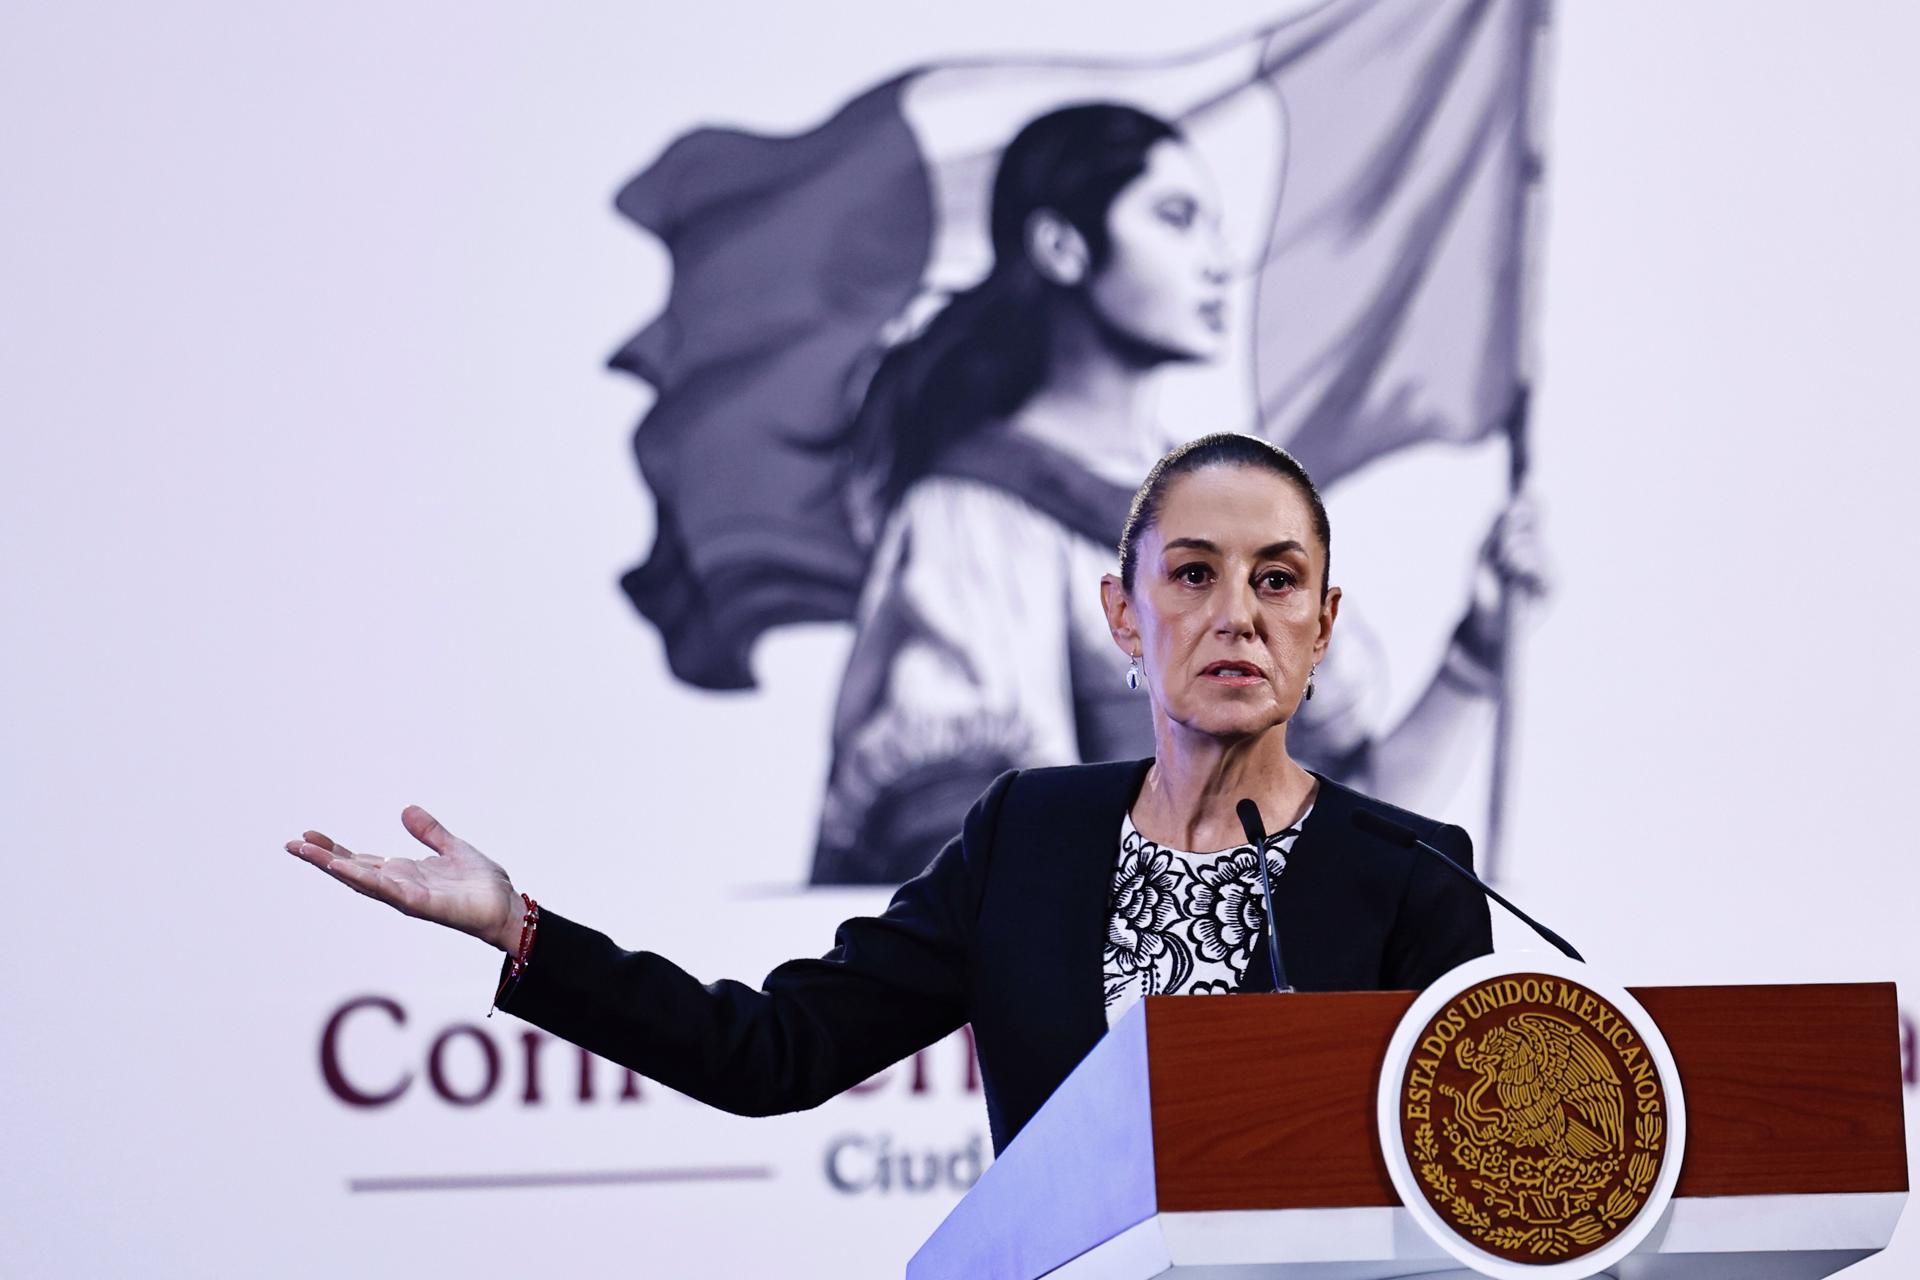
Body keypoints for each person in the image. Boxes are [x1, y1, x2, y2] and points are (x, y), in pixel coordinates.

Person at [287, 433, 1494, 1156]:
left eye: (1279, 580)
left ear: (1323, 624)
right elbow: (772, 1049)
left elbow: (1468, 1184)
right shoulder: (1031, 836)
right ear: (1122, 614)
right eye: (1193, 574)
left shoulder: (1415, 871)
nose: (1238, 612)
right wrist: (519, 929)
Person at [809, 103, 1543, 885]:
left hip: (1268, 1001)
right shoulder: (974, 516)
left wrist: (1478, 651)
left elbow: (1350, 847)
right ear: (1062, 246)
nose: (1218, 260)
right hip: (1109, 1005)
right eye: (1175, 217)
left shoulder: (1237, 508)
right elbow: (971, 863)